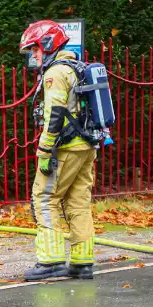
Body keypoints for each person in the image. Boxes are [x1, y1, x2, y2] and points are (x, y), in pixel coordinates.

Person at [20, 21, 97, 281]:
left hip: (64, 148)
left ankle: (50, 260)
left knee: (44, 197)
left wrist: (44, 148)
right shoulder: (78, 66)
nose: (34, 55)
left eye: (36, 49)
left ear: (49, 44)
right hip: (86, 146)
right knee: (78, 202)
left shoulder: (56, 72)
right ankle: (82, 262)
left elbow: (55, 113)